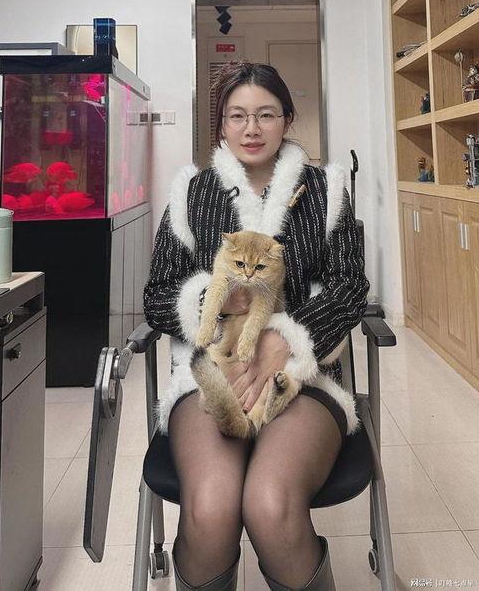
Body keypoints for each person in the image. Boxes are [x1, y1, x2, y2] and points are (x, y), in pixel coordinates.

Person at [144, 61, 370, 591]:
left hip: (306, 381)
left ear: (287, 119)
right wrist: (214, 304)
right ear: (221, 124)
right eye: (237, 116)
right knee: (210, 507)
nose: (251, 129)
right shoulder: (191, 193)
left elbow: (349, 287)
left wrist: (284, 341)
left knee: (270, 504)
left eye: (266, 115)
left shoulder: (327, 189)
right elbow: (157, 297)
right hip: (210, 378)